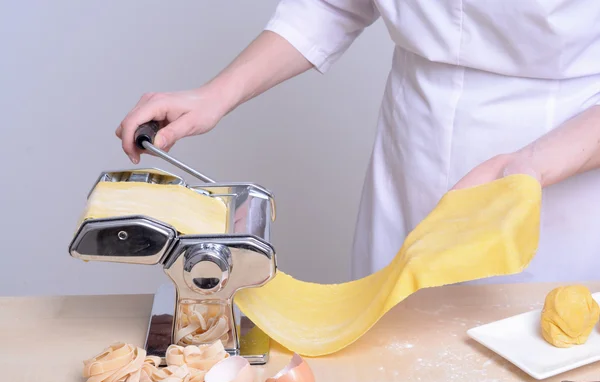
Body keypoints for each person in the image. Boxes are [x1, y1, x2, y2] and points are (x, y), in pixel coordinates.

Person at [116, 1, 600, 284]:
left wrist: (528, 166)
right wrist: (216, 94)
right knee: (391, 358)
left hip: (560, 160)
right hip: (413, 144)